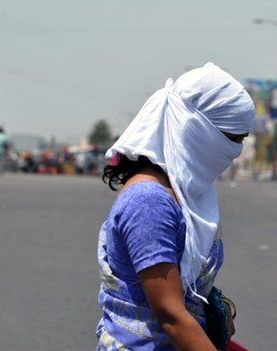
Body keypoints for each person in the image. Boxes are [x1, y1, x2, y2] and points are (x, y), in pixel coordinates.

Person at [96, 63, 254, 350]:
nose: (236, 152)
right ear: (196, 132)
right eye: (232, 139)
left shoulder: (184, 194)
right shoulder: (149, 202)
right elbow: (171, 315)